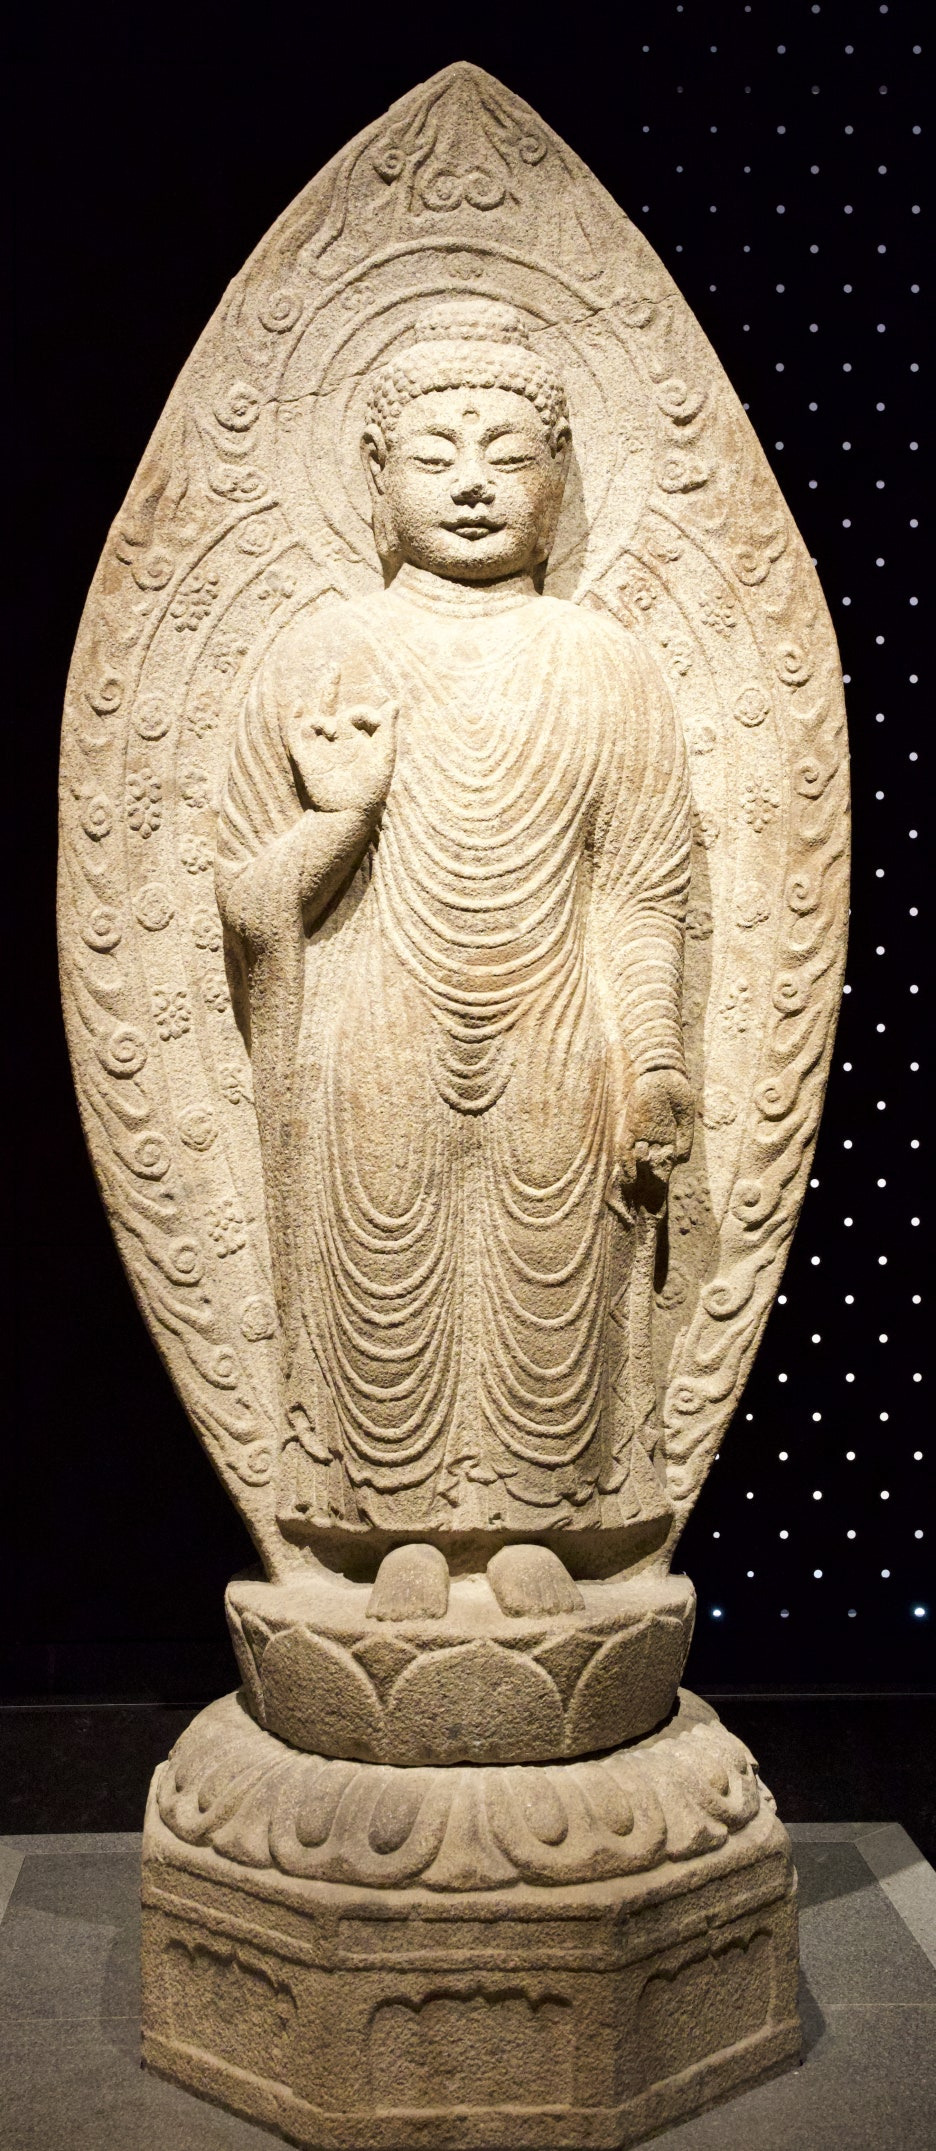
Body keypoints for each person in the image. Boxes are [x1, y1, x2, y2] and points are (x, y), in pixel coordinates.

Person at [216, 303, 693, 1607]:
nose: (473, 481)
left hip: (556, 1030)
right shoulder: (320, 652)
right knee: (383, 1277)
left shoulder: (606, 664)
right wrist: (339, 819)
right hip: (372, 1025)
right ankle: (389, 1531)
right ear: (377, 472)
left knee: (554, 1276)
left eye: (507, 452)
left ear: (559, 473)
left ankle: (543, 1523)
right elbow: (249, 901)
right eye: (436, 454)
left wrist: (654, 1065)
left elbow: (641, 894)